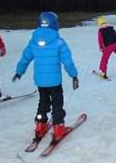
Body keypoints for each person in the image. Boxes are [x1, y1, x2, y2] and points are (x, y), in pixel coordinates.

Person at [12, 12, 79, 142]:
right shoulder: (59, 42)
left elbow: (25, 58)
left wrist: (19, 71)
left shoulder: (33, 42)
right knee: (57, 103)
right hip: (54, 82)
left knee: (43, 102)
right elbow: (68, 62)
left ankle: (40, 125)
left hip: (41, 82)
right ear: (55, 24)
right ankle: (58, 128)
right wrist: (74, 75)